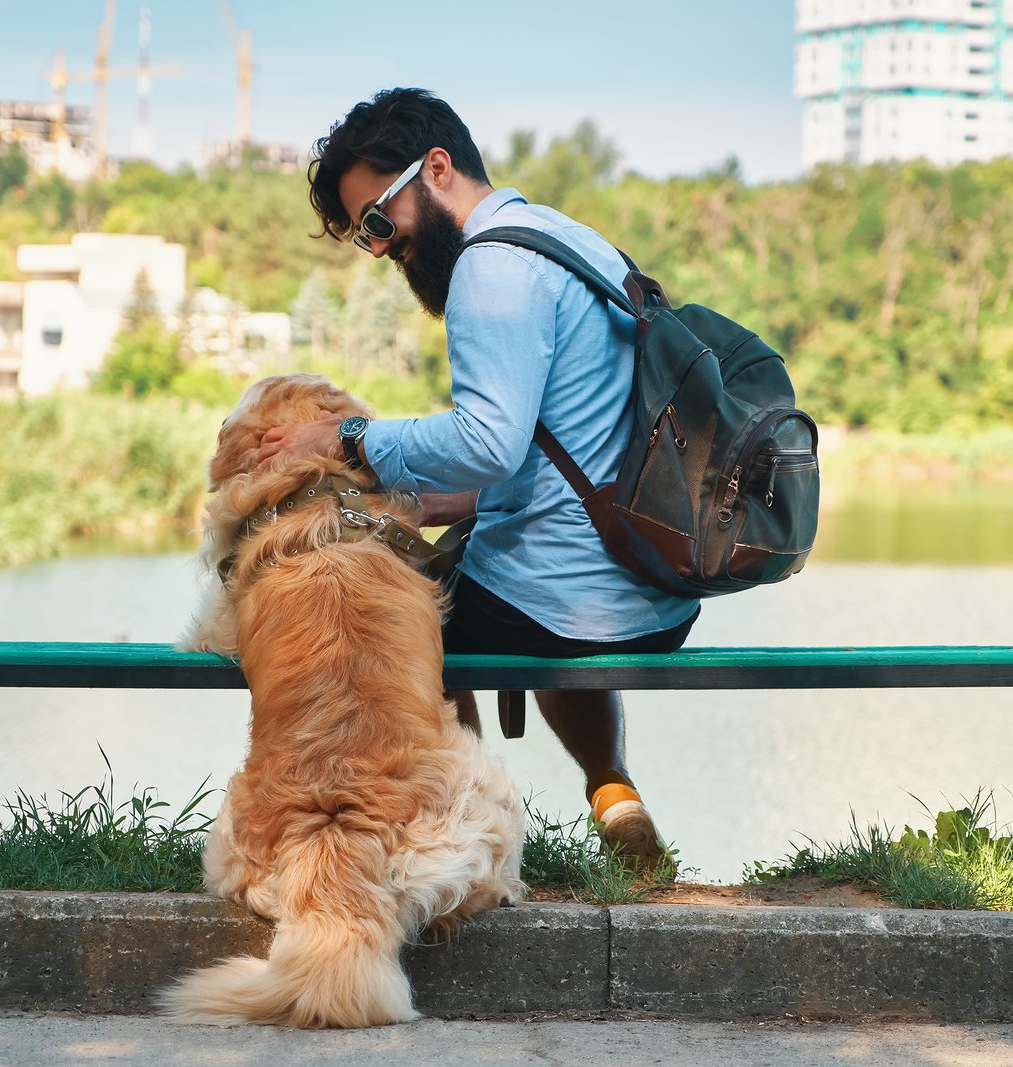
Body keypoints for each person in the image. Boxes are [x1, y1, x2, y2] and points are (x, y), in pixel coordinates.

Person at [251, 87, 699, 871]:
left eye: (380, 221)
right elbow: (553, 456)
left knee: (392, 618)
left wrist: (347, 437)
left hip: (572, 600)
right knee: (493, 564)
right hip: (653, 589)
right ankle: (613, 792)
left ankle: (458, 825)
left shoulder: (490, 268)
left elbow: (489, 445)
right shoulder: (570, 241)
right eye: (365, 237)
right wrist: (413, 500)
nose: (382, 248)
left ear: (437, 167)